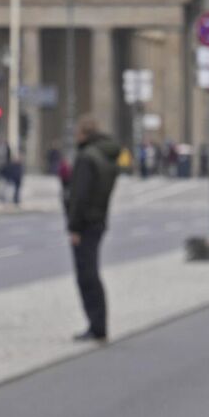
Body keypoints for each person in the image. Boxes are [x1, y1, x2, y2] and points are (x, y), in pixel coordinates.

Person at [64, 116, 121, 343]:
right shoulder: (106, 156)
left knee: (87, 276)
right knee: (92, 273)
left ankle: (96, 326)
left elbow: (80, 195)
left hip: (86, 224)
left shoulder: (87, 158)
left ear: (83, 134)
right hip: (98, 220)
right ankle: (99, 324)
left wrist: (74, 227)